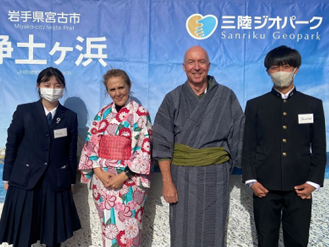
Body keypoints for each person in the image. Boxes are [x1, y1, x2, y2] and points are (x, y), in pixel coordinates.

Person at [152, 46, 244, 246]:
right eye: (191, 62)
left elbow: (239, 137)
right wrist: (167, 183)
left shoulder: (226, 96)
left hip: (215, 175)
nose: (196, 67)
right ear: (184, 67)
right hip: (181, 177)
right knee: (182, 230)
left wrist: (254, 175)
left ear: (208, 66)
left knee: (214, 229)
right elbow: (161, 143)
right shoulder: (173, 98)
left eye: (201, 62)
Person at [242, 45, 327, 247]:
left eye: (286, 66)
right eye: (275, 68)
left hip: (300, 186)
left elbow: (319, 147)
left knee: (298, 240)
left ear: (296, 69)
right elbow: (247, 146)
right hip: (264, 186)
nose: (281, 72)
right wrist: (251, 180)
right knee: (266, 240)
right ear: (268, 72)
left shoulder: (312, 104)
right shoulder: (255, 105)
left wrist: (313, 182)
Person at [0, 67, 81, 247]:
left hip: (56, 182)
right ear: (38, 86)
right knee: (23, 234)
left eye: (57, 85)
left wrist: (71, 181)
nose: (52, 88)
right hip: (25, 181)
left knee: (53, 236)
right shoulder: (24, 111)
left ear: (63, 88)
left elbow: (70, 150)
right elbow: (11, 146)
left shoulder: (69, 116)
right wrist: (7, 177)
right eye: (47, 84)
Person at [79, 69, 152, 247]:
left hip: (129, 181)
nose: (117, 93)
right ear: (107, 91)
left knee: (130, 229)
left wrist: (123, 176)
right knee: (108, 229)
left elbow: (144, 148)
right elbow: (91, 146)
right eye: (112, 89)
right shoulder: (102, 115)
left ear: (129, 86)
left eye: (121, 87)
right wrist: (99, 172)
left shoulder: (140, 114)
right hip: (102, 181)